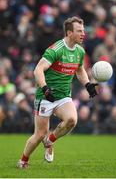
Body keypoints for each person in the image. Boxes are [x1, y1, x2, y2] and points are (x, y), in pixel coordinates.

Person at [17, 16, 98, 168]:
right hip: (45, 96)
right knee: (39, 134)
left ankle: (50, 141)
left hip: (63, 96)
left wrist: (87, 84)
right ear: (69, 33)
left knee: (72, 120)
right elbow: (38, 70)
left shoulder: (80, 51)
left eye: (83, 30)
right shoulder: (56, 49)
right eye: (79, 31)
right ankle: (23, 160)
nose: (83, 33)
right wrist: (45, 88)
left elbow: (79, 70)